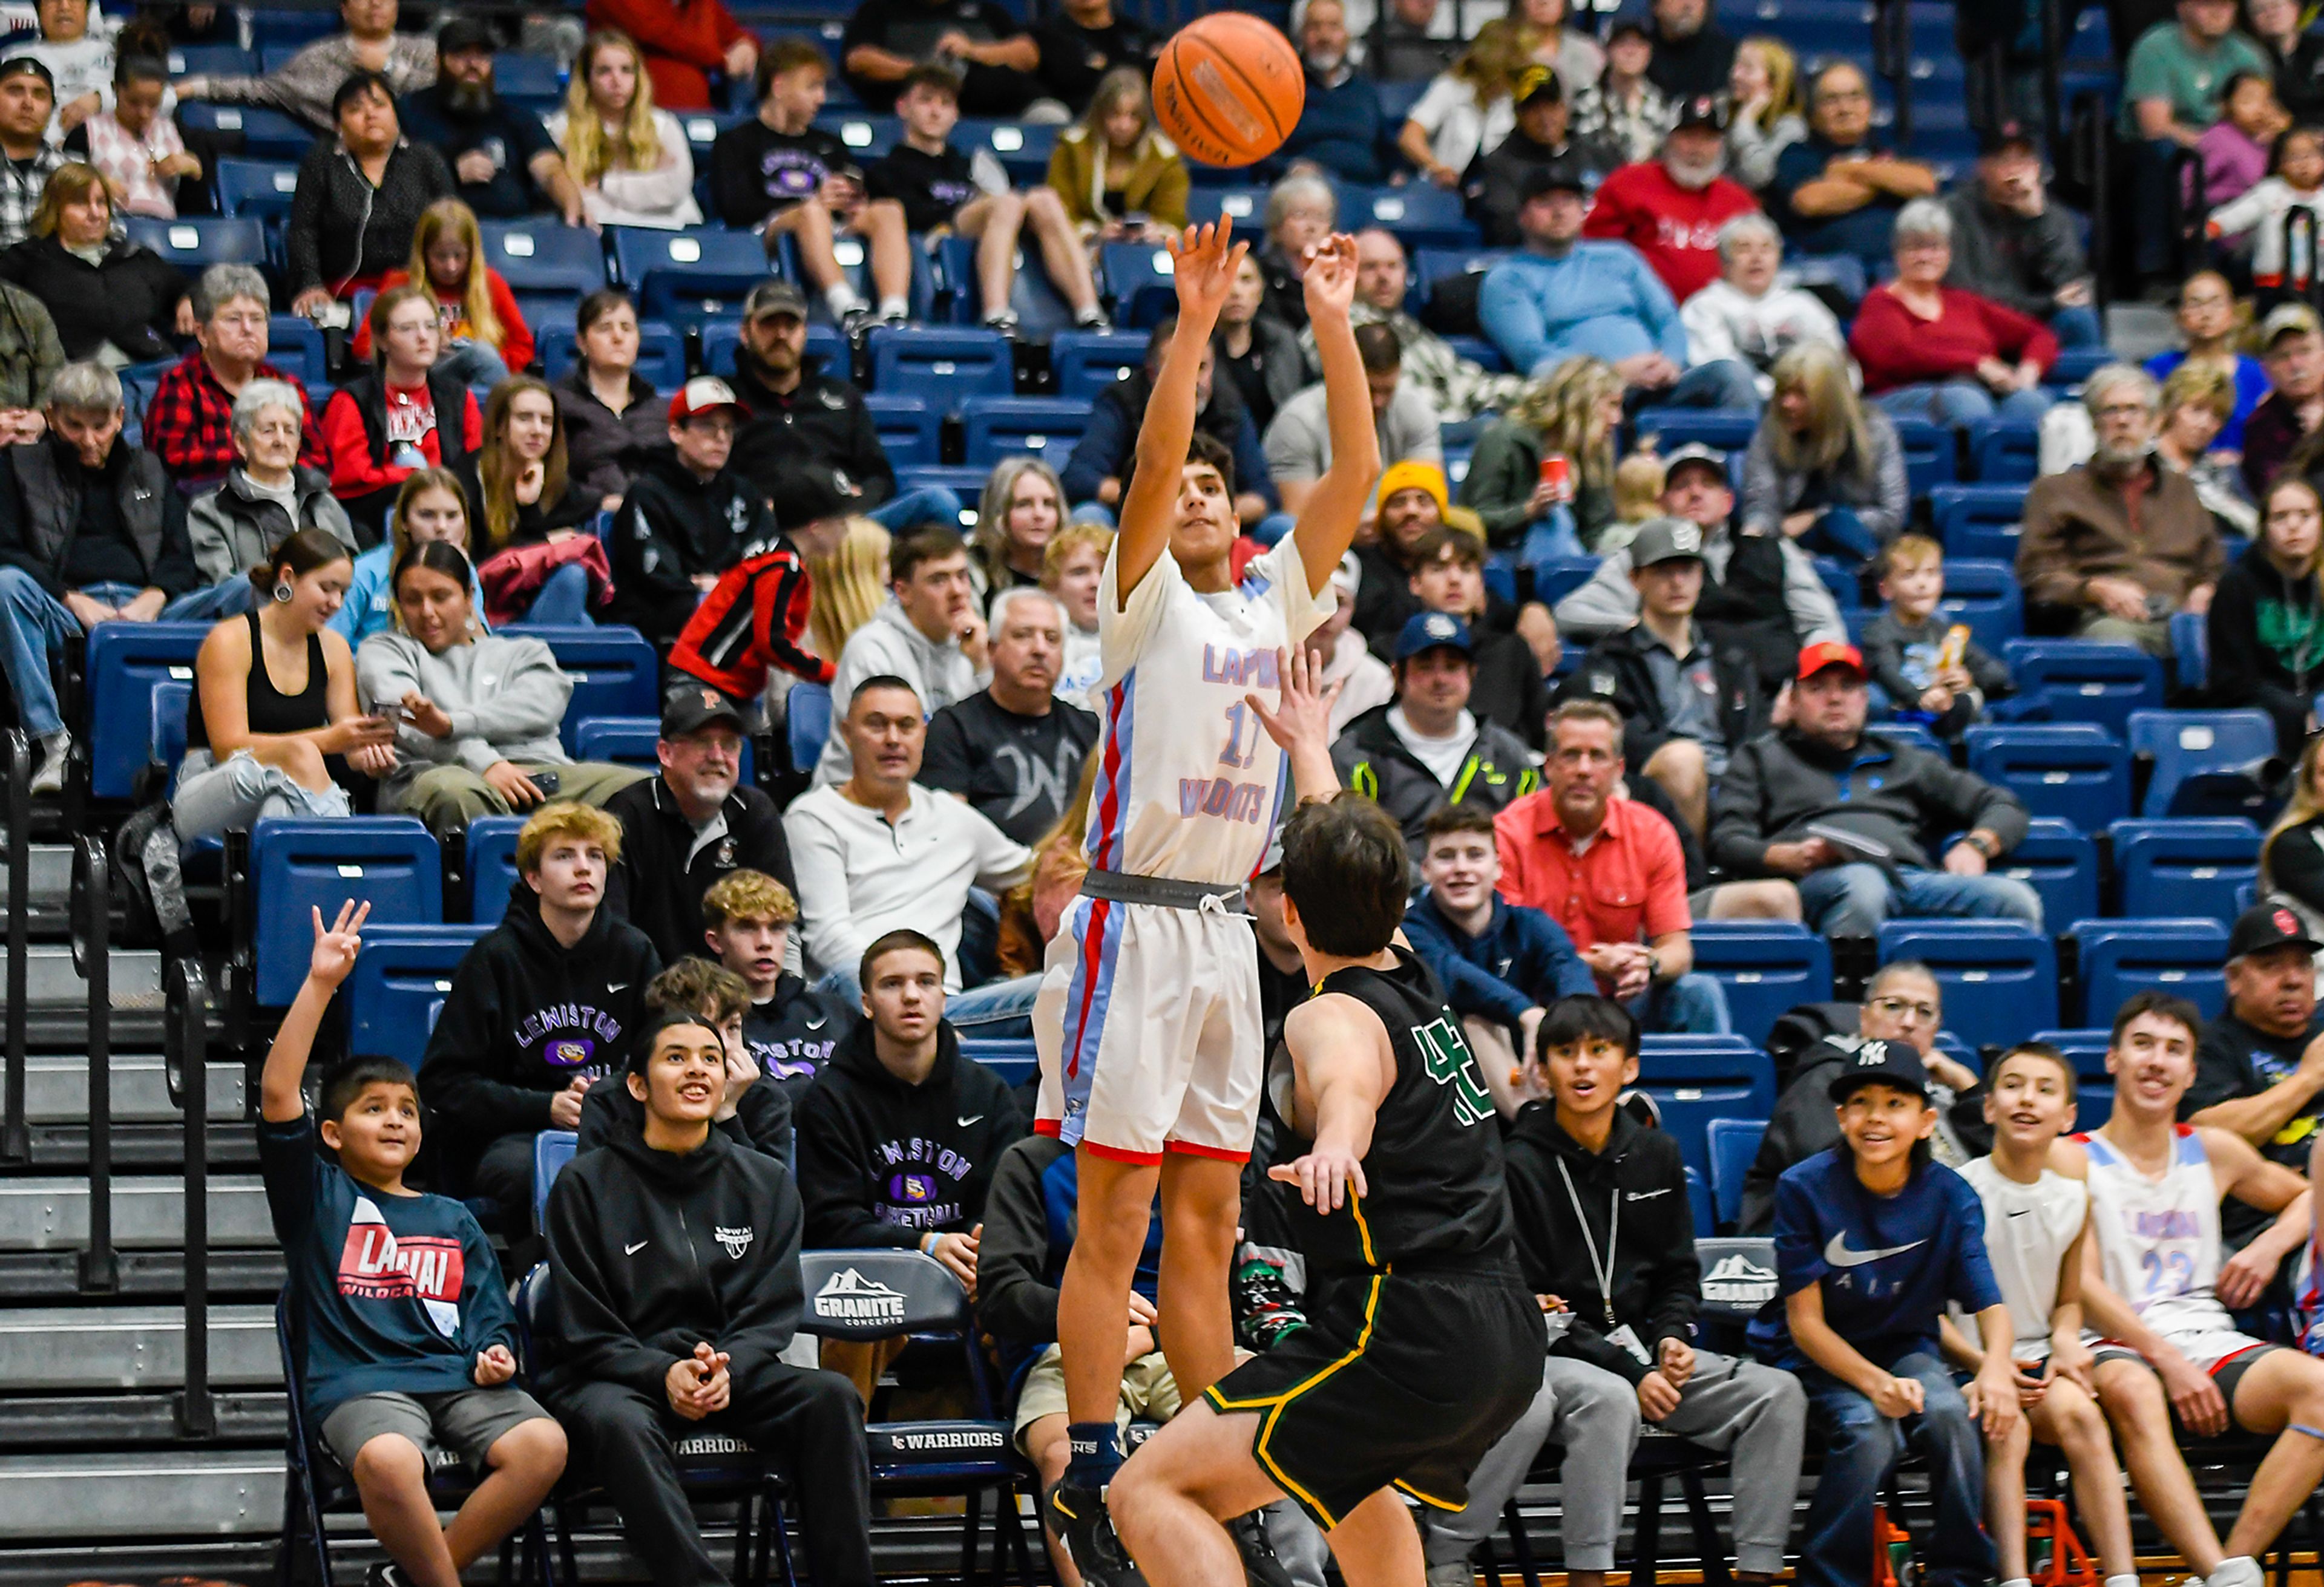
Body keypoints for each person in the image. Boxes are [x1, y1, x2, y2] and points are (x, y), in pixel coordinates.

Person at [1026, 219, 1377, 1579]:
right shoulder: (1142, 608)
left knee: (1213, 1225)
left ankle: (1221, 1461)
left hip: (1228, 932)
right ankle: (1101, 1456)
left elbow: (1353, 468)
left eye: (1220, 496)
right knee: (1113, 1214)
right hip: (1128, 921)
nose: (1199, 502)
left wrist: (1329, 317)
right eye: (1183, 497)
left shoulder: (1272, 607)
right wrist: (1190, 323)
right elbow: (1159, 460)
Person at [1104, 791, 1544, 1587]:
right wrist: (1311, 744)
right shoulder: (1415, 970)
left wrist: (1337, 1145)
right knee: (1352, 1489)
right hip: (1502, 1327)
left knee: (1149, 1486)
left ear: (1293, 912)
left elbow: (1348, 1084)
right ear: (1396, 901)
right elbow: (1350, 865)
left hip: (1406, 1325)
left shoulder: (1327, 1015)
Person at [1425, 995, 1808, 1587]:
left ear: (1628, 1067)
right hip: (1551, 1355)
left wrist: (1674, 1337)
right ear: (1541, 1071)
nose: (1582, 1066)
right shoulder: (1515, 1163)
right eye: (1565, 1052)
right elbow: (1530, 1301)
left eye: (1599, 1051)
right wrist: (1633, 1369)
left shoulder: (1657, 1154)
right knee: (1610, 1397)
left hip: (1643, 1353)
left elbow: (1679, 1271)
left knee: (1778, 1394)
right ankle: (1590, 1576)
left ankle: (1758, 1574)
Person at [258, 902, 568, 1587]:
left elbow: (490, 1316)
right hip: (361, 1386)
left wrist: (496, 1353)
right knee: (394, 1461)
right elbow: (280, 1093)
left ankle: (409, 1580)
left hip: (457, 1383)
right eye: (374, 1108)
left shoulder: (453, 1216)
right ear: (333, 1135)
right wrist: (319, 986)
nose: (396, 1119)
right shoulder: (316, 1200)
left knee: (544, 1443)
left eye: (406, 1109)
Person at [537, 1010, 876, 1587]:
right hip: (618, 1375)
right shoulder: (584, 1183)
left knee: (830, 1397)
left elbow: (771, 1308)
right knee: (619, 1421)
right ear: (638, 1085)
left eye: (710, 1058)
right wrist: (661, 1370)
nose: (697, 1070)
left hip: (729, 1368)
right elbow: (582, 1325)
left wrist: (729, 1367)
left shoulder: (766, 1180)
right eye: (676, 1057)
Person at [2055, 992, 2324, 1587]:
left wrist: (2265, 1246)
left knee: (2321, 1393)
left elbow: (2310, 1193)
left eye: (2175, 1050)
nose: (2158, 1061)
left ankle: (2229, 1568)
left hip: (2206, 1335)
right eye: (2143, 1044)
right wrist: (2166, 1359)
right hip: (2112, 1340)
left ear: (2193, 1072)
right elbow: (2083, 1284)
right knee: (2134, 1388)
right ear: (2114, 1058)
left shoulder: (2215, 1149)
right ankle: (2220, 1571)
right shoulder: (2073, 1158)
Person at [1747, 1040, 2021, 1587]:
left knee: (1951, 1413)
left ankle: (1962, 1573)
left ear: (1925, 1121)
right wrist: (1876, 1384)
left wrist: (1994, 1369)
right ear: (1842, 1115)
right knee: (1869, 1431)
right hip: (1810, 1355)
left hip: (1903, 1346)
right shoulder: (1802, 1187)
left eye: (1895, 1103)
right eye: (1862, 1102)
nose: (1876, 1117)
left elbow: (1990, 1302)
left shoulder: (1952, 1194)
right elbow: (1806, 1324)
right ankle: (1828, 1577)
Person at [793, 928, 1028, 1398]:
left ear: (945, 995)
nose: (911, 996)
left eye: (926, 982)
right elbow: (830, 1223)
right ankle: (841, 1453)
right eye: (892, 984)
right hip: (870, 1277)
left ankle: (1028, 1452)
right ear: (865, 1002)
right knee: (855, 1307)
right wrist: (925, 1243)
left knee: (1021, 1294)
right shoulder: (829, 1098)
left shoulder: (989, 1093)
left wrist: (976, 1246)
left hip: (971, 1270)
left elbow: (1008, 1205)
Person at [1944, 1041, 2144, 1587]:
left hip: (2035, 1360)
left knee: (2082, 1413)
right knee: (2007, 1428)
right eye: (2012, 1085)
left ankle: (2123, 1577)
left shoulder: (2074, 1196)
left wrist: (2064, 1339)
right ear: (1988, 1106)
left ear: (2069, 1116)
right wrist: (1985, 1364)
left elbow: (2070, 1298)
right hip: (1966, 1364)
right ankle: (2012, 1578)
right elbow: (1929, 1313)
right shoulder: (1956, 1192)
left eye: (2045, 1089)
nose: (2027, 1099)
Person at [418, 800, 660, 1225]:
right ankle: (540, 1282)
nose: (583, 868)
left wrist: (611, 1100)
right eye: (564, 856)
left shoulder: (635, 952)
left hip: (617, 1127)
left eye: (595, 856)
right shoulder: (494, 960)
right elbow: (445, 1083)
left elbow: (662, 1056)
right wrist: (545, 1106)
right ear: (534, 878)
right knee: (550, 1174)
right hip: (515, 1137)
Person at [1711, 641, 2041, 937]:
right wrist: (1784, 857)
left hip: (1906, 878)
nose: (1835, 698)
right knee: (1863, 885)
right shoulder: (1760, 757)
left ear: (1865, 699)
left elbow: (2003, 804)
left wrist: (1977, 846)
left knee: (2014, 901)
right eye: (1818, 688)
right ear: (1793, 701)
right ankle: (1845, 1004)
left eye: (1848, 686)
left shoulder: (1903, 758)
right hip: (1817, 881)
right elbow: (1727, 841)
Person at [0, 361, 212, 790]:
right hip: (65, 614)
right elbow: (7, 547)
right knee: (6, 584)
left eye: (101, 425)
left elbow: (180, 557)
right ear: (51, 415)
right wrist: (71, 598)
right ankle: (51, 740)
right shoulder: (19, 466)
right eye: (74, 426)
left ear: (120, 417)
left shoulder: (149, 468)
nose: (89, 440)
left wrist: (153, 597)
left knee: (247, 590)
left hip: (152, 610)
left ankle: (218, 745)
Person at [786, 676, 1037, 1011]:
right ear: (847, 734)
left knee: (1053, 990)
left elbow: (1032, 871)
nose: (893, 739)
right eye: (876, 725)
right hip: (859, 999)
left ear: (924, 735)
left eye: (906, 726)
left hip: (945, 1003)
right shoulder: (813, 818)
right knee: (849, 974)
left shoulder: (953, 818)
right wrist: (898, 990)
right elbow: (828, 937)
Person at [356, 543, 643, 834]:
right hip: (438, 773)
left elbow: (539, 709)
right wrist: (486, 763)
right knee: (457, 792)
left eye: (441, 597)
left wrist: (453, 724)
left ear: (469, 597)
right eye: (412, 600)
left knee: (642, 790)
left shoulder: (525, 652)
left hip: (540, 776)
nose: (427, 611)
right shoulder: (383, 651)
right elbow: (408, 724)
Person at [1494, 699, 1732, 1034]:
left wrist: (1647, 964)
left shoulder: (1652, 833)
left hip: (1623, 1000)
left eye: (1598, 756)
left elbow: (1677, 949)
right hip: (1537, 1003)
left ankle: (1711, 1087)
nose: (1584, 769)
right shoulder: (1509, 834)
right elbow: (1504, 953)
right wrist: (1589, 965)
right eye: (1571, 755)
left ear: (1619, 769)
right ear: (1548, 766)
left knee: (1699, 993)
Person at [1555, 440, 1847, 692]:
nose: (1695, 493)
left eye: (1708, 484)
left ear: (1728, 501)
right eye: (1682, 486)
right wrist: (1637, 628)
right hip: (1692, 700)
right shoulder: (1643, 556)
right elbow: (1572, 613)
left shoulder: (1774, 550)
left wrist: (1807, 684)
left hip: (1779, 695)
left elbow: (1823, 625)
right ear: (1662, 503)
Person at [1477, 162, 1759, 409]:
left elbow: (1666, 317)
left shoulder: (1618, 256)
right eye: (1545, 202)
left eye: (1569, 200)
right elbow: (1533, 355)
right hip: (1584, 394)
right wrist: (1610, 373)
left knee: (1732, 375)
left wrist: (1671, 362)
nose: (1559, 211)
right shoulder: (1508, 278)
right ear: (1523, 215)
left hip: (1658, 384)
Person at [171, 529, 390, 840]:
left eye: (343, 592)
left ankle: (289, 886)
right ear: (288, 576)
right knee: (299, 754)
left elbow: (348, 739)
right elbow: (228, 748)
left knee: (282, 808)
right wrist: (326, 740)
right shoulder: (230, 640)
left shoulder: (335, 649)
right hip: (212, 786)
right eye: (327, 589)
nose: (336, 603)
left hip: (292, 790)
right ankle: (347, 851)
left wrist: (368, 757)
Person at [1560, 518, 1769, 839]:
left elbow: (1753, 728)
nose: (1677, 582)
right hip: (1653, 784)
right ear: (1636, 579)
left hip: (1732, 781)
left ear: (1701, 576)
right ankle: (1690, 881)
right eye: (1663, 571)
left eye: (1687, 570)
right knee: (1683, 761)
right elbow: (1622, 735)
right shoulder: (1613, 657)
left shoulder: (1731, 653)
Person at [1738, 960, 1981, 1233]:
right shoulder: (1829, 1077)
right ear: (1864, 1017)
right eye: (1893, 1006)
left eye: (1924, 1012)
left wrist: (1967, 1084)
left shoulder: (1942, 1089)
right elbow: (1836, 1180)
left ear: (1937, 1028)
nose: (1909, 1023)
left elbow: (2006, 1164)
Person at [868, 63, 1105, 333]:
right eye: (925, 101)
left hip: (987, 221)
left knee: (1045, 198)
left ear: (956, 113)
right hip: (940, 233)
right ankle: (997, 313)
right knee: (1007, 203)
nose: (935, 111)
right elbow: (908, 216)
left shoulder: (970, 164)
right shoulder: (887, 168)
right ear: (902, 107)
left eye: (945, 103)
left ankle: (1090, 312)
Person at [1399, 806, 1592, 1117]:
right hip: (1436, 1089)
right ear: (1425, 869)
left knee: (1584, 1023)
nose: (1461, 869)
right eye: (1446, 856)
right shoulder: (1410, 932)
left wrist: (1563, 1028)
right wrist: (1527, 1013)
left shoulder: (1530, 925)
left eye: (1475, 855)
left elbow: (1572, 976)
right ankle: (1537, 1123)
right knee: (1475, 1024)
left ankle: (1598, 1113)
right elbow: (1455, 976)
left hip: (1530, 1067)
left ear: (1499, 868)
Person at [723, 280, 960, 531]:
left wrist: (855, 511)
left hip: (848, 526)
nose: (781, 335)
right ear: (745, 332)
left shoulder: (842, 396)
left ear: (804, 333)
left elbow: (880, 478)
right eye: (769, 325)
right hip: (770, 527)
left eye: (790, 325)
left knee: (939, 503)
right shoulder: (726, 399)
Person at [2018, 363, 2223, 654]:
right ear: (2094, 423)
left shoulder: (2182, 489)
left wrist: (2206, 590)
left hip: (2182, 616)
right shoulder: (2055, 491)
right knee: (2114, 642)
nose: (2123, 421)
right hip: (2106, 618)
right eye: (2111, 411)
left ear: (2153, 422)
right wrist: (2095, 589)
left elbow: (2212, 566)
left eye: (2134, 410)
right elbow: (2038, 577)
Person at [713, 40, 912, 329]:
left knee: (889, 210)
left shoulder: (828, 144)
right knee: (811, 212)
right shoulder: (738, 142)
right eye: (812, 87)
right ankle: (846, 308)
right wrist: (815, 202)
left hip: (828, 223)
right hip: (767, 230)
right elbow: (735, 207)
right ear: (779, 86)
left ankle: (895, 312)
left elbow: (855, 190)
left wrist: (854, 203)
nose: (821, 98)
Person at [592, 684, 790, 958]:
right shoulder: (627, 814)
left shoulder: (756, 812)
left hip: (735, 992)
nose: (718, 757)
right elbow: (610, 930)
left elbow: (783, 921)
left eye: (730, 745)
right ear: (666, 754)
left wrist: (781, 997)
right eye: (703, 743)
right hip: (650, 990)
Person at [1330, 610, 1538, 857]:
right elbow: (1348, 850)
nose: (1440, 680)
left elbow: (1532, 841)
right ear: (1398, 676)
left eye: (1452, 667)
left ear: (1472, 675)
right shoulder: (1356, 754)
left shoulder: (1508, 754)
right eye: (1426, 667)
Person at [1059, 315, 1279, 537]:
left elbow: (1263, 495)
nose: (1193, 379)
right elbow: (1080, 478)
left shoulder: (1230, 406)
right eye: (1180, 368)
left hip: (1208, 519)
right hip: (1136, 524)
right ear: (1152, 373)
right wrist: (1158, 502)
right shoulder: (1122, 401)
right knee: (1089, 517)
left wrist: (1212, 505)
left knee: (1279, 526)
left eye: (1202, 367)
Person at [2182, 903, 2324, 1237]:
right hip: (2260, 1223)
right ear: (2233, 978)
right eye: (2271, 966)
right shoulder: (2208, 1047)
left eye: (2303, 966)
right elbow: (2210, 1136)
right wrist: (2308, 1079)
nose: (2292, 981)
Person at [1851, 201, 2057, 428]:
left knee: (2032, 402)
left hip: (1981, 390)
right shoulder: (1880, 302)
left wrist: (2028, 371)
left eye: (1934, 247)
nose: (1925, 256)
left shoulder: (1964, 302)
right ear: (1897, 253)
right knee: (1966, 401)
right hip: (1907, 394)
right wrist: (1977, 364)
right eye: (1915, 247)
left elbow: (2038, 334)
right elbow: (1899, 356)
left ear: (1949, 253)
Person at [921, 587, 1099, 845]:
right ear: (992, 649)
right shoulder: (953, 727)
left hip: (1075, 873)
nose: (1040, 649)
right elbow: (947, 837)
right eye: (1023, 636)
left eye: (1052, 638)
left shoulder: (1092, 729)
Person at [600, 376, 770, 645]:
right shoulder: (647, 494)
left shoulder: (744, 493)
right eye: (708, 427)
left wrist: (720, 586)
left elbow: (768, 555)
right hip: (662, 622)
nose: (721, 438)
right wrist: (710, 587)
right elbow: (658, 579)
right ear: (676, 432)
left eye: (728, 428)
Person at [573, 957, 792, 1165]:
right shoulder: (611, 1098)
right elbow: (596, 1191)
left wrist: (725, 1113)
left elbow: (767, 1199)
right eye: (710, 1029)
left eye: (733, 1028)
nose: (724, 1045)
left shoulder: (767, 1100)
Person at [669, 459, 852, 707]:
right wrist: (831, 673)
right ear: (815, 527)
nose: (847, 531)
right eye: (841, 522)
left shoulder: (777, 557)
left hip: (724, 685)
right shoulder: (781, 567)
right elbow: (773, 644)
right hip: (704, 683)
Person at [813, 525, 985, 785]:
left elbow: (993, 743)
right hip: (858, 801)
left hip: (941, 795)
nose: (958, 591)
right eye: (939, 580)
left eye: (962, 576)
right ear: (902, 591)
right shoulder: (873, 650)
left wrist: (983, 667)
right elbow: (884, 752)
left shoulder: (972, 647)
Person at [2122, 0, 2275, 285]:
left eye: (2227, 4)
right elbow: (2155, 126)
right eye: (2207, 4)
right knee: (2161, 155)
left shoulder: (2248, 54)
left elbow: (2265, 116)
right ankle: (2157, 270)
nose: (2218, 11)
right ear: (2182, 8)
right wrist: (2218, 144)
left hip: (2232, 149)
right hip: (2165, 149)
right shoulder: (2156, 47)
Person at [284, 71, 455, 320]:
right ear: (337, 126)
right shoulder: (321, 163)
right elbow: (303, 231)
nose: (370, 114)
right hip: (344, 293)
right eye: (355, 109)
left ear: (396, 114)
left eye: (379, 104)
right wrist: (311, 285)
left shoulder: (425, 160)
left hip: (419, 291)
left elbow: (453, 226)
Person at [321, 284, 484, 543]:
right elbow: (349, 477)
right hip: (377, 515)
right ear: (382, 340)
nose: (423, 337)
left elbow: (476, 466)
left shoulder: (459, 397)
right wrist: (415, 478)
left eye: (430, 326)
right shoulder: (352, 400)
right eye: (407, 328)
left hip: (449, 510)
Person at [145, 264, 326, 483]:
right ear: (202, 334)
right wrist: (257, 458)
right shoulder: (180, 384)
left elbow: (319, 461)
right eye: (234, 319)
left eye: (257, 319)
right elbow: (172, 461)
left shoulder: (287, 386)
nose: (248, 329)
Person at [186, 380, 358, 607]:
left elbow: (353, 574)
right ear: (241, 443)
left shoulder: (323, 502)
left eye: (289, 431)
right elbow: (226, 591)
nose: (280, 441)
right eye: (268, 430)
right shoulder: (211, 511)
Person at [396, 19, 585, 225]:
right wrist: (450, 173)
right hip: (434, 232)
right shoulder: (410, 111)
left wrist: (571, 205)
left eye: (482, 56)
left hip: (513, 237)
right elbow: (392, 178)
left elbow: (550, 170)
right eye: (461, 55)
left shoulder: (516, 117)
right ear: (438, 61)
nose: (473, 65)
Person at [0, 161, 187, 365]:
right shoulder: (29, 259)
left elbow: (184, 288)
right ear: (56, 210)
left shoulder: (134, 257)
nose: (95, 213)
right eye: (80, 203)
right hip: (68, 378)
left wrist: (187, 300)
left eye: (101, 203)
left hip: (145, 369)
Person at [1740, 341, 1909, 565]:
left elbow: (1891, 516)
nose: (1787, 403)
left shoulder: (1875, 431)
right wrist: (1755, 533)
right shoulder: (1771, 432)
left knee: (1840, 524)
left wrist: (1820, 518)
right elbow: (1761, 505)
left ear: (1829, 398)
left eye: (1801, 394)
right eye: (1783, 392)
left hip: (1863, 545)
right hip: (1790, 550)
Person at [698, 868, 859, 1098]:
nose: (765, 943)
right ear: (716, 942)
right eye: (747, 928)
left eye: (777, 928)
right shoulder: (703, 1019)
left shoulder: (834, 1012)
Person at [1766, 61, 1940, 271]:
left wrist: (1852, 170)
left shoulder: (1894, 149)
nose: (1845, 109)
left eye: (1855, 97)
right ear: (1812, 113)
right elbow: (1810, 201)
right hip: (1831, 268)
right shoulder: (1798, 154)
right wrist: (1887, 181)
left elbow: (1924, 184)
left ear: (1870, 105)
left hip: (1899, 265)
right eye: (1831, 100)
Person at [349, 198, 536, 389]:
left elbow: (522, 346)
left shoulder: (491, 283)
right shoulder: (401, 284)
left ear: (472, 254)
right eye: (441, 256)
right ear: (424, 253)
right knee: (481, 354)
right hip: (420, 377)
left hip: (477, 381)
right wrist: (425, 345)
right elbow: (365, 345)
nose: (451, 266)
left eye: (459, 256)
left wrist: (487, 361)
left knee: (481, 354)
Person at [1943, 122, 2101, 347]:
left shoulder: (2052, 216)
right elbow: (1964, 291)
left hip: (2038, 319)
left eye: (2023, 161)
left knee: (2081, 319)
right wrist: (2046, 304)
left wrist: (2038, 221)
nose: (2015, 170)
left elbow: (2072, 285)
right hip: (1982, 321)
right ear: (1983, 167)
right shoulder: (1954, 212)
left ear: (2037, 168)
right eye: (2004, 160)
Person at [459, 376, 601, 626]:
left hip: (539, 607)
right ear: (499, 427)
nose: (537, 430)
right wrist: (543, 541)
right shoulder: (466, 481)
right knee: (575, 600)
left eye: (546, 421)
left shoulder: (561, 488)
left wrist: (531, 507)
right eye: (525, 418)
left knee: (573, 589)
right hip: (482, 610)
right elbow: (480, 568)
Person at [177, 0, 437, 132]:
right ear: (345, 10)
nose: (376, 3)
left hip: (419, 157)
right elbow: (262, 89)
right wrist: (195, 87)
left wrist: (390, 68)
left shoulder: (427, 51)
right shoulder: (319, 57)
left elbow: (448, 93)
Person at [1265, 324, 1443, 517]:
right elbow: (1298, 518)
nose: (1378, 402)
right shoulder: (1297, 423)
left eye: (1387, 391)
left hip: (1397, 534)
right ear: (1341, 373)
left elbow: (1428, 498)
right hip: (1325, 538)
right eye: (1369, 390)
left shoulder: (1415, 408)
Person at [1459, 358, 1621, 562]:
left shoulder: (1595, 449)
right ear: (1580, 404)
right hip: (1502, 557)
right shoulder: (1504, 439)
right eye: (1612, 405)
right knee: (1552, 522)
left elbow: (1597, 531)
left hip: (1573, 564)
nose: (1617, 418)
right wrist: (1529, 510)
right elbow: (1471, 521)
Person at [1405, 526, 1552, 748]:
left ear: (1481, 584)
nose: (1454, 579)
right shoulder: (1392, 650)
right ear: (1415, 583)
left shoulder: (1512, 651)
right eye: (1439, 569)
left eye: (1466, 570)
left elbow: (1540, 734)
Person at [2210, 474, 2324, 754]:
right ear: (2264, 528)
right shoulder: (2237, 585)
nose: (2294, 526)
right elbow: (2232, 680)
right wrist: (2297, 710)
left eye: (2305, 516)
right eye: (2281, 517)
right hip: (2261, 712)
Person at [1860, 534, 2015, 740]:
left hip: (1945, 706)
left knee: (1974, 697)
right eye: (1908, 575)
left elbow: (1996, 673)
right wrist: (1923, 697)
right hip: (1903, 709)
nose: (1922, 584)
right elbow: (1888, 673)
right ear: (1886, 589)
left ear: (1941, 582)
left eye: (1931, 574)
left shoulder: (1945, 632)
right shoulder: (1879, 631)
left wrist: (1967, 678)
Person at [1679, 214, 1845, 402]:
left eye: (1766, 249)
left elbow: (1835, 360)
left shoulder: (1804, 304)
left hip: (1806, 403)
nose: (1756, 258)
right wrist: (1782, 395)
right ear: (1725, 261)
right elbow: (1723, 373)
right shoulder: (1704, 307)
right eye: (1744, 249)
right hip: (1742, 407)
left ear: (1778, 257)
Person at [547, 30, 703, 231]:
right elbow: (573, 195)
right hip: (600, 230)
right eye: (604, 71)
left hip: (668, 230)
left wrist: (605, 185)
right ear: (587, 78)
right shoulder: (563, 127)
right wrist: (644, 190)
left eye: (626, 70)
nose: (617, 81)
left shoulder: (663, 125)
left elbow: (674, 187)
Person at [1461, 67, 1623, 250]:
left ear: (1564, 108)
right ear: (1519, 116)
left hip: (1605, 255)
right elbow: (1506, 230)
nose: (1545, 117)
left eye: (1551, 105)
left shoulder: (1598, 153)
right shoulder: (1501, 165)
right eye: (1534, 109)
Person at [332, 466, 482, 649]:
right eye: (427, 515)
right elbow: (329, 645)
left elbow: (483, 650)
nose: (442, 527)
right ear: (404, 521)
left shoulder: (466, 571)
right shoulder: (365, 573)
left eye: (452, 516)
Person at [1043, 67, 1187, 241]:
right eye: (1115, 115)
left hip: (1143, 249)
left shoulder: (1165, 158)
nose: (1123, 125)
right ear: (1100, 114)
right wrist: (1094, 233)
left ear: (1145, 119)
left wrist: (1156, 232)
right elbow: (1061, 213)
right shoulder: (1071, 149)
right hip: (1081, 248)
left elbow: (1173, 219)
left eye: (1133, 116)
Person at [839, 0, 1048, 119]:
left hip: (996, 114)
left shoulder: (985, 9)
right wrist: (926, 70)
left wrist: (972, 50)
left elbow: (1029, 54)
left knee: (1050, 116)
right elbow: (859, 60)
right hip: (912, 118)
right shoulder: (880, 9)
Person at [555, 290, 665, 512]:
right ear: (581, 342)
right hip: (589, 519)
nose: (618, 337)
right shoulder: (559, 403)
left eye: (627, 328)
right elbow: (553, 478)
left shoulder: (660, 409)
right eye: (605, 328)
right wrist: (597, 503)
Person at [2148, 269, 2271, 456]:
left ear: (2234, 314)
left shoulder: (2257, 374)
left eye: (2216, 304)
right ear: (2180, 316)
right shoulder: (2159, 368)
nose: (2206, 314)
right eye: (2195, 304)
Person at [1276, 0, 1397, 185]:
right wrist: (1290, 167)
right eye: (1315, 27)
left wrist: (1397, 174)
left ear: (1348, 35)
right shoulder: (1284, 89)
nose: (1324, 36)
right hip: (1304, 191)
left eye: (1334, 26)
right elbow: (1263, 155)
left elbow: (1388, 151)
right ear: (1301, 34)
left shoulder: (1366, 90)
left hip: (1365, 193)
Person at [1397, 21, 1527, 190]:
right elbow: (1410, 137)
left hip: (1497, 191)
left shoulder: (1517, 97)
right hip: (1445, 188)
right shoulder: (1450, 87)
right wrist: (1435, 167)